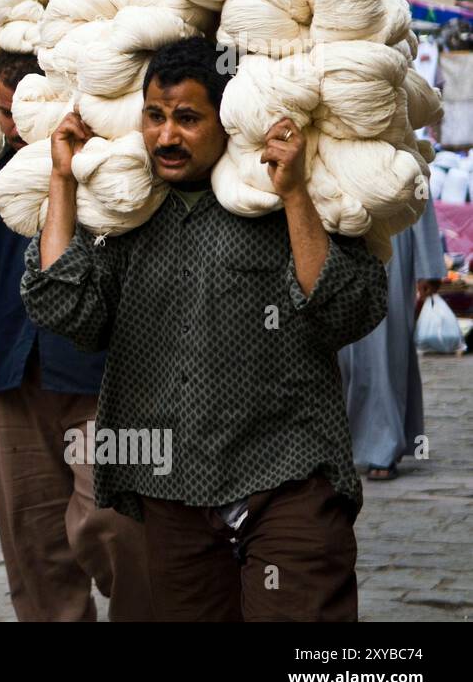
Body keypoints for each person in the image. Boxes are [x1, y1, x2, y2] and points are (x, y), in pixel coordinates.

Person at [23, 36, 388, 621]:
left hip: (288, 476)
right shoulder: (127, 214)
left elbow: (346, 311)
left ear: (229, 121)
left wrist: (293, 194)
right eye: (155, 117)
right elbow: (69, 313)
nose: (167, 137)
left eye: (188, 118)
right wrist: (63, 180)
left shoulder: (280, 197)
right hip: (171, 490)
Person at [0, 50, 153, 621]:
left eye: (22, 111)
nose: (13, 125)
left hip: (99, 380)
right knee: (33, 547)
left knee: (112, 524)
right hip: (15, 384)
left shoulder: (111, 169)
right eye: (2, 112)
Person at [340, 198, 446, 480]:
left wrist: (429, 265)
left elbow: (419, 186)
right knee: (336, 353)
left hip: (391, 237)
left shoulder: (403, 151)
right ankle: (336, 447)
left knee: (385, 348)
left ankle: (382, 448)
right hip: (335, 236)